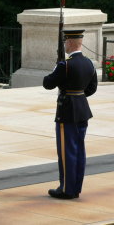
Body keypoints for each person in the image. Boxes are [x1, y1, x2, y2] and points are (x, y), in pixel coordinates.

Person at [43, 29, 98, 199]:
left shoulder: (65, 65)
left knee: (67, 151)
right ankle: (75, 188)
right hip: (82, 110)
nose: (65, 44)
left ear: (71, 43)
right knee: (79, 150)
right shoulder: (89, 63)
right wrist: (77, 94)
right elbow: (91, 88)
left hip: (67, 111)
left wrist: (56, 68)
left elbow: (48, 84)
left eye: (66, 41)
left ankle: (66, 189)